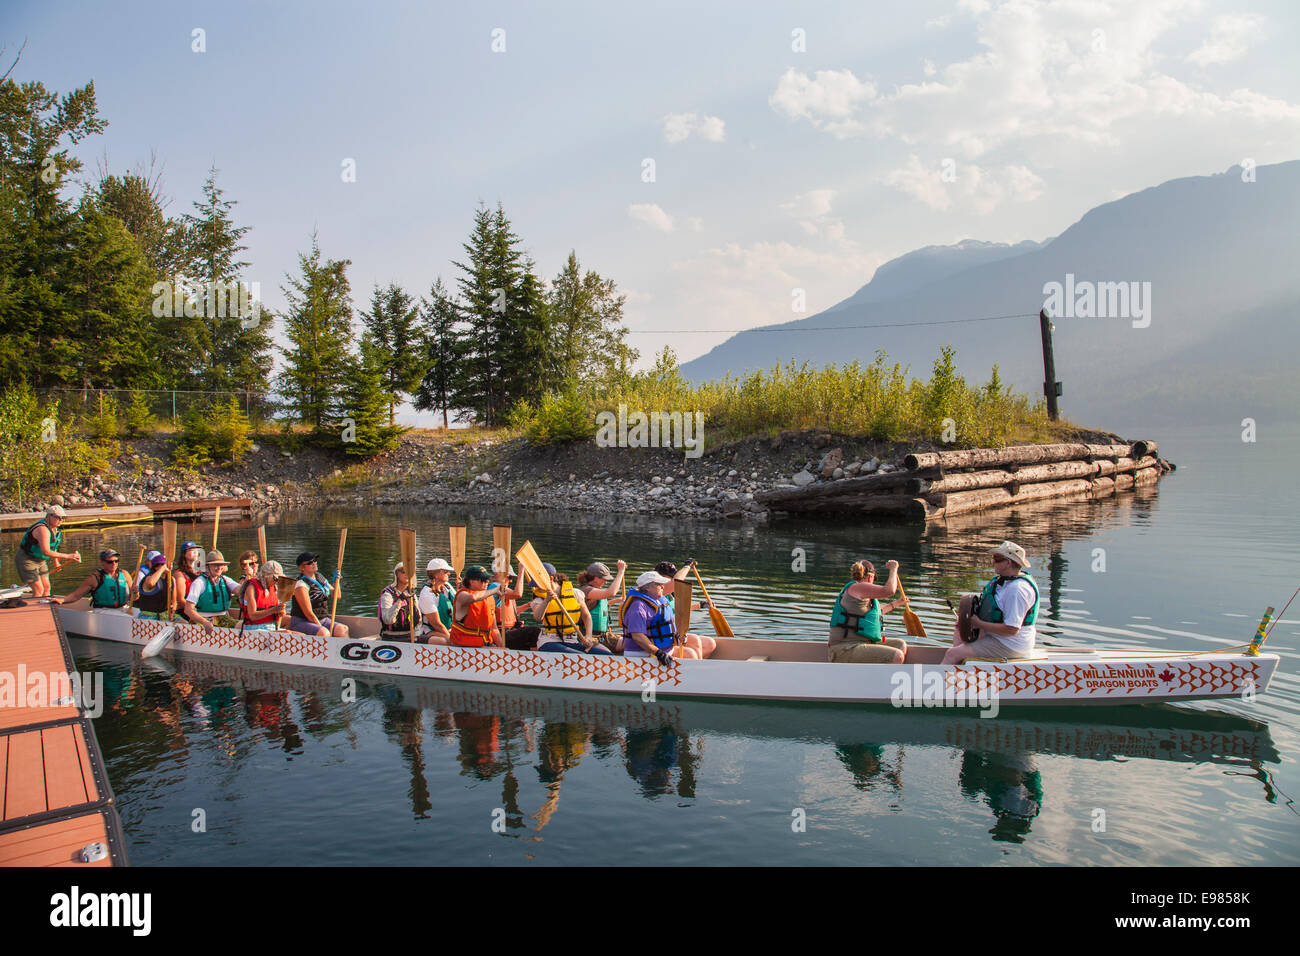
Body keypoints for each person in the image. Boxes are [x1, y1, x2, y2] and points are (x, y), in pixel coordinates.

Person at [943, 541, 1039, 665]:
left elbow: (1012, 629)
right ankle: (960, 677)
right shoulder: (1002, 582)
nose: (993, 562)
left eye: (997, 559)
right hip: (998, 636)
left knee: (952, 654)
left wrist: (978, 624)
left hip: (1011, 644)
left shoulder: (1016, 590)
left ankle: (939, 682)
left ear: (1008, 562)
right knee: (958, 635)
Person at [828, 558, 907, 663]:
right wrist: (893, 569)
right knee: (897, 656)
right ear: (870, 577)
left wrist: (896, 603)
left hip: (860, 644)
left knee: (900, 644)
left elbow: (878, 612)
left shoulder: (861, 595)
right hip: (844, 649)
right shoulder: (857, 587)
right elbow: (889, 590)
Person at [528, 563, 608, 654]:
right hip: (549, 642)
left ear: (550, 579)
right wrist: (547, 600)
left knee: (607, 656)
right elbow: (538, 617)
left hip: (572, 641)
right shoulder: (539, 599)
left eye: (538, 584)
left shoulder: (575, 593)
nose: (536, 587)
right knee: (580, 657)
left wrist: (588, 636)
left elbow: (586, 616)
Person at [620, 570, 695, 663]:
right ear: (647, 588)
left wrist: (679, 636)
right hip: (642, 657)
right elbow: (637, 636)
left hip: (662, 653)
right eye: (659, 584)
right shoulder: (638, 607)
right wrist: (658, 653)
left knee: (691, 654)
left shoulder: (660, 600)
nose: (663, 586)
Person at [15, 504, 81, 597]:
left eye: (63, 518)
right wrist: (69, 556)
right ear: (49, 516)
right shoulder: (42, 530)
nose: (61, 520)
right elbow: (46, 551)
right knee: (39, 590)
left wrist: (56, 563)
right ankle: (33, 610)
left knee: (46, 588)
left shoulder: (55, 530)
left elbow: (53, 548)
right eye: (58, 517)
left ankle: (44, 607)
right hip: (27, 560)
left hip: (41, 561)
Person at [656, 560, 716, 658]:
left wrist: (701, 605)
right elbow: (676, 582)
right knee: (694, 646)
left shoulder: (670, 595)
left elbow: (678, 609)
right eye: (668, 578)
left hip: (674, 632)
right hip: (664, 636)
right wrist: (687, 566)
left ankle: (699, 666)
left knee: (710, 644)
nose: (669, 581)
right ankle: (694, 667)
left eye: (671, 577)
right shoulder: (657, 593)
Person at [289, 552, 350, 638]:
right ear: (302, 568)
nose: (314, 563)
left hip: (322, 619)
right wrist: (321, 628)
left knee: (343, 629)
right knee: (324, 633)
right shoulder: (300, 585)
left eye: (315, 560)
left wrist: (336, 581)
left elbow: (337, 596)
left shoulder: (319, 577)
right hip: (303, 621)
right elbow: (308, 613)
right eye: (310, 563)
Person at [184, 550, 242, 632]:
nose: (219, 568)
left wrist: (250, 578)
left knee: (242, 626)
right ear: (208, 567)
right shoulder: (199, 583)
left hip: (222, 618)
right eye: (215, 565)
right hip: (203, 619)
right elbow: (188, 609)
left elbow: (241, 591)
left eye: (221, 565)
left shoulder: (225, 580)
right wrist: (204, 622)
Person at [55, 549, 132, 611]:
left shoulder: (125, 574)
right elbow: (76, 595)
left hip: (123, 608)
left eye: (116, 561)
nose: (114, 564)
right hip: (103, 611)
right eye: (110, 562)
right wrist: (62, 600)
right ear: (102, 563)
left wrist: (136, 592)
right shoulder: (94, 578)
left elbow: (135, 597)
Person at [577, 560, 626, 652]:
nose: (606, 582)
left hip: (602, 636)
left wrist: (617, 600)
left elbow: (597, 607)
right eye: (605, 579)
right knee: (610, 652)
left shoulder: (595, 591)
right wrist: (621, 571)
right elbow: (611, 592)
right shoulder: (585, 590)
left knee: (630, 642)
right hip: (587, 637)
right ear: (596, 578)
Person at [449, 565, 503, 647]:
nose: (487, 582)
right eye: (483, 580)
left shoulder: (489, 598)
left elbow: (494, 628)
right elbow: (474, 597)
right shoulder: (462, 595)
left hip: (485, 645)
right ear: (471, 581)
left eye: (487, 580)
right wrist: (495, 590)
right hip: (463, 647)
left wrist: (502, 647)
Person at [490, 563, 538, 650]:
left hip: (509, 631)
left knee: (533, 639)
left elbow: (513, 612)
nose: (511, 581)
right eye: (510, 577)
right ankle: (537, 658)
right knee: (534, 631)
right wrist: (521, 572)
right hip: (500, 634)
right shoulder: (495, 587)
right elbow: (518, 594)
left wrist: (528, 605)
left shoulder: (506, 592)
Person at [378, 562, 423, 640]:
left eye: (409, 572)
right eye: (403, 572)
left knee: (437, 641)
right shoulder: (388, 594)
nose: (406, 574)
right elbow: (387, 620)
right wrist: (400, 600)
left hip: (410, 635)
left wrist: (416, 635)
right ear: (396, 574)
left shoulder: (411, 594)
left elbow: (418, 619)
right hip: (392, 636)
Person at [417, 558, 455, 644]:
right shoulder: (427, 594)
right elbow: (436, 624)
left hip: (448, 629)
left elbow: (459, 604)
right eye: (445, 571)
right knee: (449, 641)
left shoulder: (447, 587)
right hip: (430, 631)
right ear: (436, 575)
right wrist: (451, 638)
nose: (448, 573)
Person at [242, 560, 287, 631]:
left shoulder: (274, 588)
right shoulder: (252, 588)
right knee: (288, 633)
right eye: (275, 578)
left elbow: (276, 612)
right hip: (254, 629)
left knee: (298, 634)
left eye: (279, 579)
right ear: (266, 576)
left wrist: (280, 612)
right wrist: (274, 610)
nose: (276, 582)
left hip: (271, 627)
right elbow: (252, 616)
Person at [135, 551, 171, 619]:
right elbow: (150, 583)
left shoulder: (171, 580)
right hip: (148, 616)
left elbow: (174, 602)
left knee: (183, 622)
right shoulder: (149, 578)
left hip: (164, 614)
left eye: (163, 564)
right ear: (154, 567)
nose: (160, 567)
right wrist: (162, 569)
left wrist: (172, 612)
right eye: (157, 565)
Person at [171, 541, 203, 617]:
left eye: (196, 550)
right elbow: (181, 600)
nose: (195, 552)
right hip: (186, 610)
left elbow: (224, 568)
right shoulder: (179, 574)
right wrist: (195, 612)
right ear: (184, 554)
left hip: (201, 608)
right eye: (191, 550)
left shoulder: (201, 571)